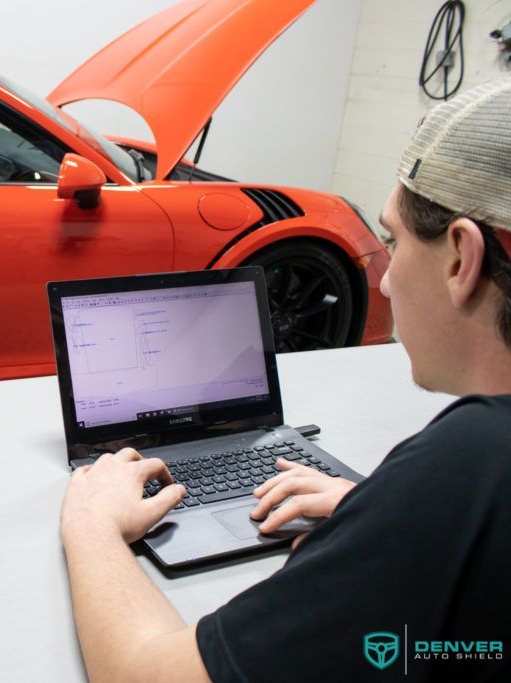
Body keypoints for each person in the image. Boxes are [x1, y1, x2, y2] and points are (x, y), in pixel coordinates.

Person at [60, 77, 511, 682]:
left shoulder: (470, 463)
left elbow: (152, 675)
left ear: (461, 257)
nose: (383, 280)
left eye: (392, 241)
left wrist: (91, 526)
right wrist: (377, 514)